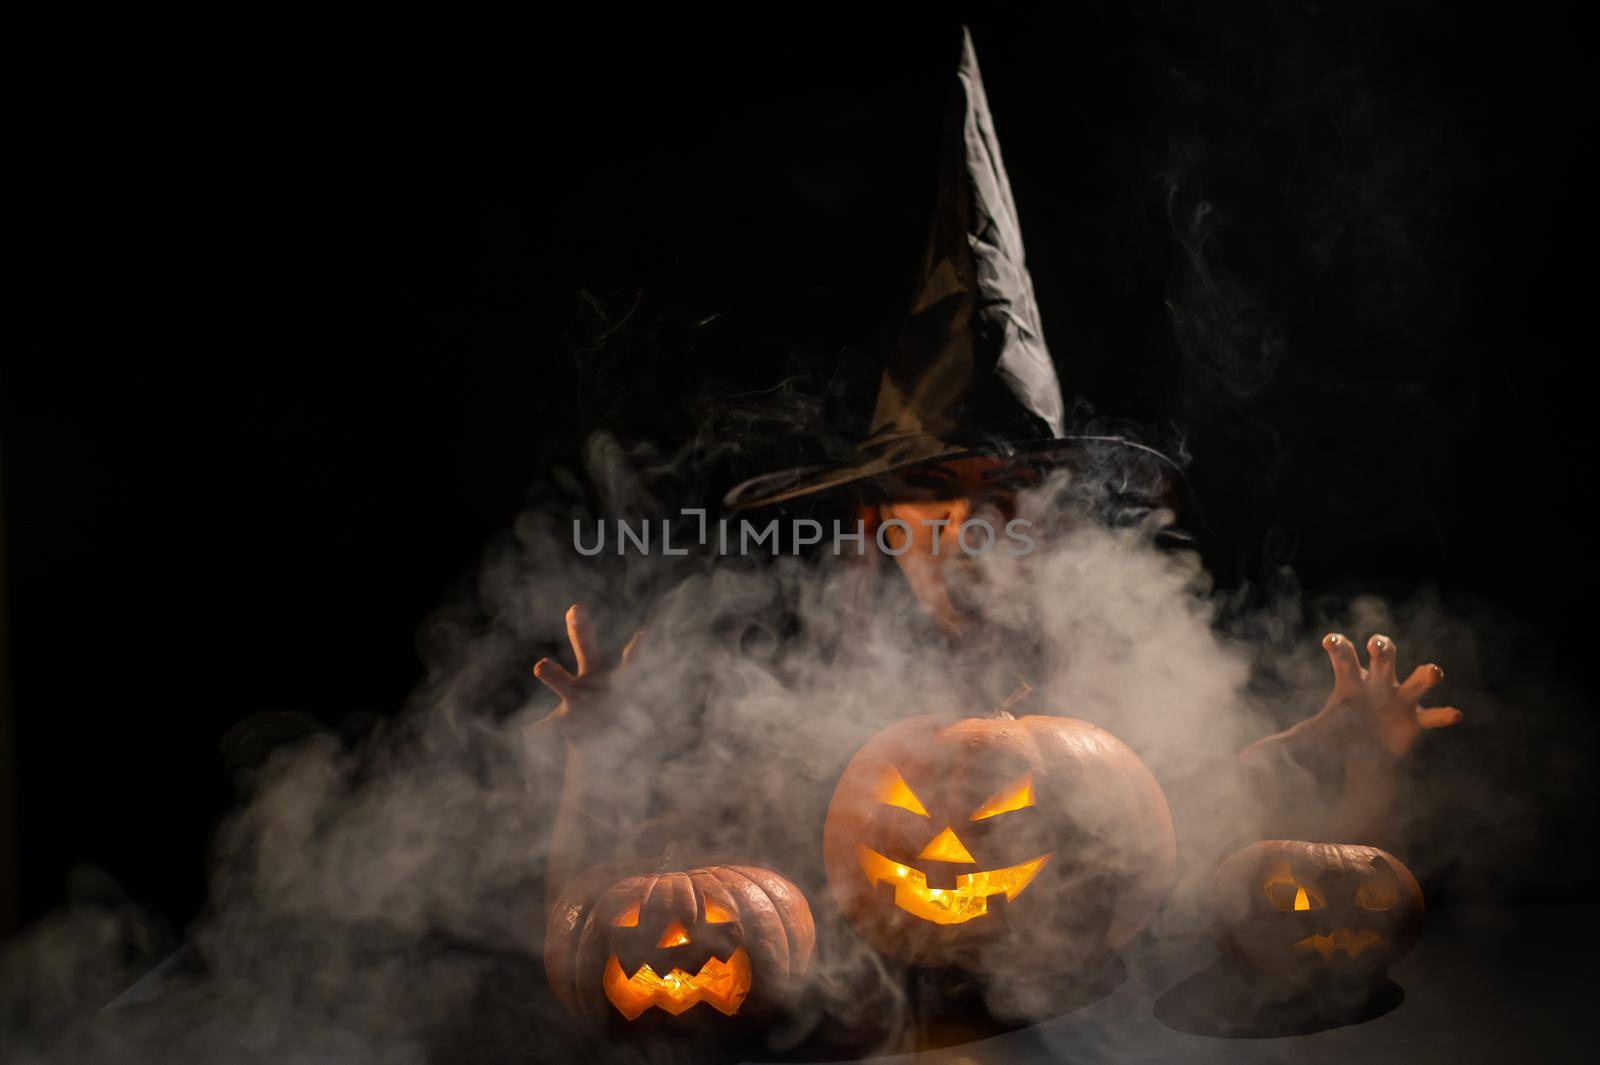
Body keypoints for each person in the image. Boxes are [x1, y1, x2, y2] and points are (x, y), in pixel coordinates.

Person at [531, 28, 1461, 919]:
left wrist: (1367, 760)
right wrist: (596, 757)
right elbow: (609, 919)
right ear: (882, 528)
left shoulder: (1113, 706)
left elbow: (1309, 896)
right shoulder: (801, 726)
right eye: (935, 501)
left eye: (1003, 498)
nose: (972, 532)